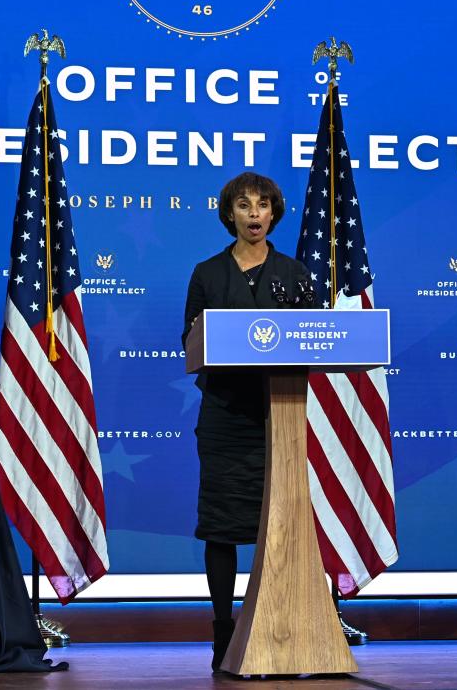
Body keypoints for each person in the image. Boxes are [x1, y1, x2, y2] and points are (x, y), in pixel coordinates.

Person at [181, 172, 313, 672]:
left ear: (274, 213)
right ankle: (223, 631)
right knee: (222, 526)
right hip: (225, 417)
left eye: (263, 205)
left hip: (280, 417)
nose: (254, 213)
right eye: (244, 205)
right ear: (229, 214)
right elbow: (189, 341)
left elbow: (314, 336)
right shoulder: (207, 274)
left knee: (283, 526)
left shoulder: (295, 273)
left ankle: (283, 627)